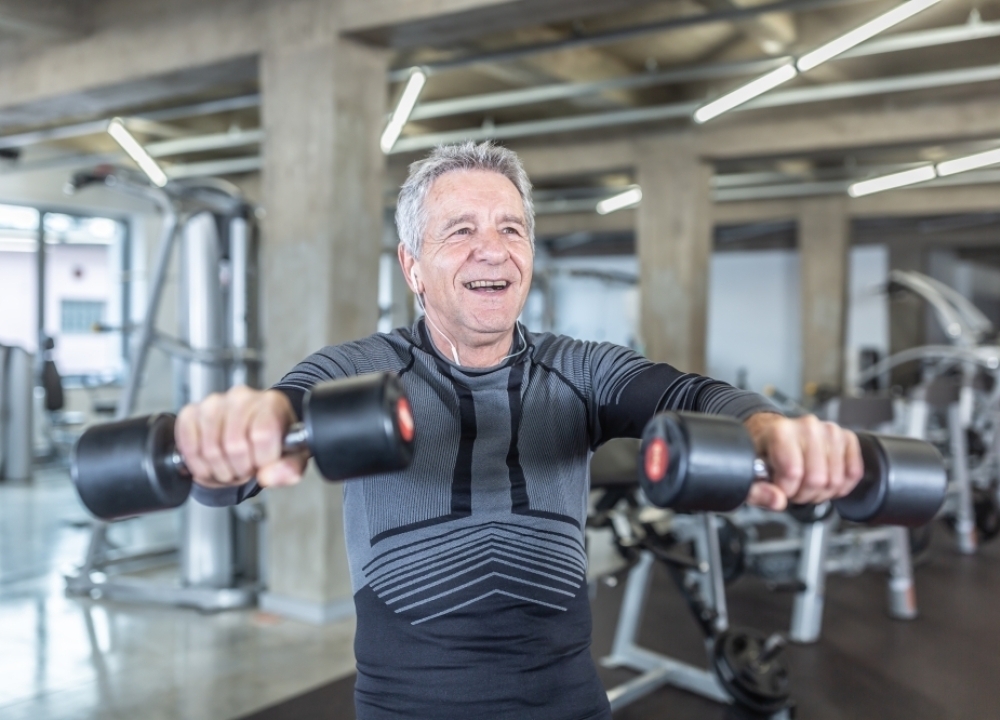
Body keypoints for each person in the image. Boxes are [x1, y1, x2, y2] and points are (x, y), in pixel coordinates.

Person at [178, 141, 863, 720]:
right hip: (408, 708)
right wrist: (231, 441)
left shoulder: (579, 370)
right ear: (413, 266)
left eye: (511, 229)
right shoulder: (360, 370)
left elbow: (690, 394)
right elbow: (274, 421)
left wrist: (770, 429)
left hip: (570, 701)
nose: (493, 251)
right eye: (461, 231)